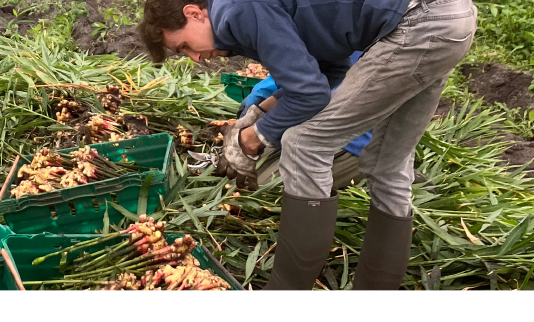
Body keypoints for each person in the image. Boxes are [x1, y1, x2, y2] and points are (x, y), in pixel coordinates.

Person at [137, 0, 476, 291]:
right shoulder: (242, 13)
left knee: (304, 145)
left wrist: (251, 139)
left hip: (417, 23)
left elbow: (310, 95)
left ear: (194, 13)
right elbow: (329, 69)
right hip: (449, 18)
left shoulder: (235, 11)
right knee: (389, 164)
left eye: (183, 46)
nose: (195, 58)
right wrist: (259, 112)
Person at [239, 52, 371, 190]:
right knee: (238, 170)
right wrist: (264, 105)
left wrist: (263, 128)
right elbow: (304, 71)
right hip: (311, 127)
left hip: (350, 141)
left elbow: (317, 89)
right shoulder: (329, 42)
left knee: (256, 186)